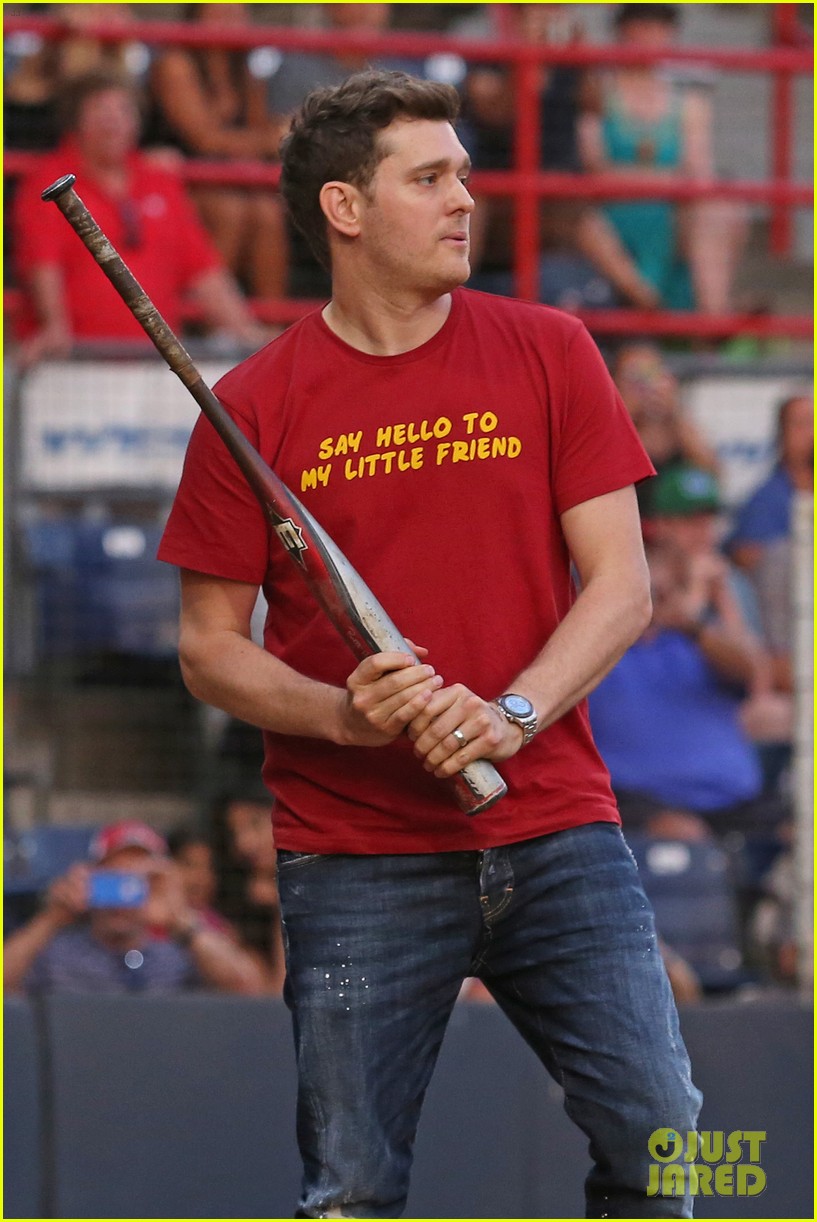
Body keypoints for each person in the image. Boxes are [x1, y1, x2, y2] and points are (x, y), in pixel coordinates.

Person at [158, 70, 701, 1217]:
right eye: (431, 177)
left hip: (557, 825)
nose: (467, 198)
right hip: (356, 855)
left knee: (675, 1141)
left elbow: (622, 588)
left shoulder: (551, 347)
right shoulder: (253, 403)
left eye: (462, 172)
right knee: (348, 1187)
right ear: (346, 211)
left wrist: (510, 712)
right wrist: (338, 713)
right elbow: (210, 647)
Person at [11, 67, 268, 366]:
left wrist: (245, 331)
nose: (113, 120)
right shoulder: (48, 183)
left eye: (123, 109)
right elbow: (43, 263)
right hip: (75, 363)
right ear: (76, 120)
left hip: (156, 366)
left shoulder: (160, 182)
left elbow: (204, 270)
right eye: (100, 109)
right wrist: (54, 326)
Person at [463, 2, 660, 311]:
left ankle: (645, 302)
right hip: (500, 185)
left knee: (579, 211)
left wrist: (581, 55)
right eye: (542, 10)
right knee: (472, 203)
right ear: (516, 16)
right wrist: (526, 59)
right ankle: (644, 301)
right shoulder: (488, 58)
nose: (552, 15)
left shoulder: (570, 61)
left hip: (561, 186)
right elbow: (498, 111)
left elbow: (597, 105)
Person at [588, 538, 785, 836]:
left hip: (735, 804)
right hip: (637, 805)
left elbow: (753, 671)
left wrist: (690, 623)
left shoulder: (700, 642)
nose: (651, 603)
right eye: (643, 591)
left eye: (663, 593)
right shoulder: (601, 648)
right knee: (684, 835)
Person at [577, 3, 747, 315]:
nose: (648, 36)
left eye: (658, 26)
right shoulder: (596, 90)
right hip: (612, 213)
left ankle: (713, 318)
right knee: (583, 217)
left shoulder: (688, 101)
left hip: (669, 213)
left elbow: (699, 174)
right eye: (639, 24)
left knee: (719, 210)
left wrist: (637, 179)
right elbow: (592, 170)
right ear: (620, 31)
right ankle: (656, 307)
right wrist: (667, 180)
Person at [3, 818, 267, 995]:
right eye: (113, 879)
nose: (123, 895)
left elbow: (249, 990)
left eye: (135, 882)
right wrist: (52, 918)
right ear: (93, 877)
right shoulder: (58, 953)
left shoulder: (178, 957)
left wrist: (181, 919)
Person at [146, 3, 289, 299]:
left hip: (227, 177)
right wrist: (273, 138)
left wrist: (274, 136)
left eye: (237, 14)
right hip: (178, 175)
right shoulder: (176, 63)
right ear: (195, 18)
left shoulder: (243, 67)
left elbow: (258, 129)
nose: (231, 23)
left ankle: (273, 324)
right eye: (220, 14)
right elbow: (204, 140)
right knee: (230, 211)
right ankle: (210, 325)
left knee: (268, 212)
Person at [612, 341, 718, 515]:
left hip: (675, 524)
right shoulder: (610, 427)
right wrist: (626, 414)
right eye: (634, 377)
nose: (645, 386)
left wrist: (675, 412)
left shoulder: (678, 426)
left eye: (651, 374)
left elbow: (713, 475)